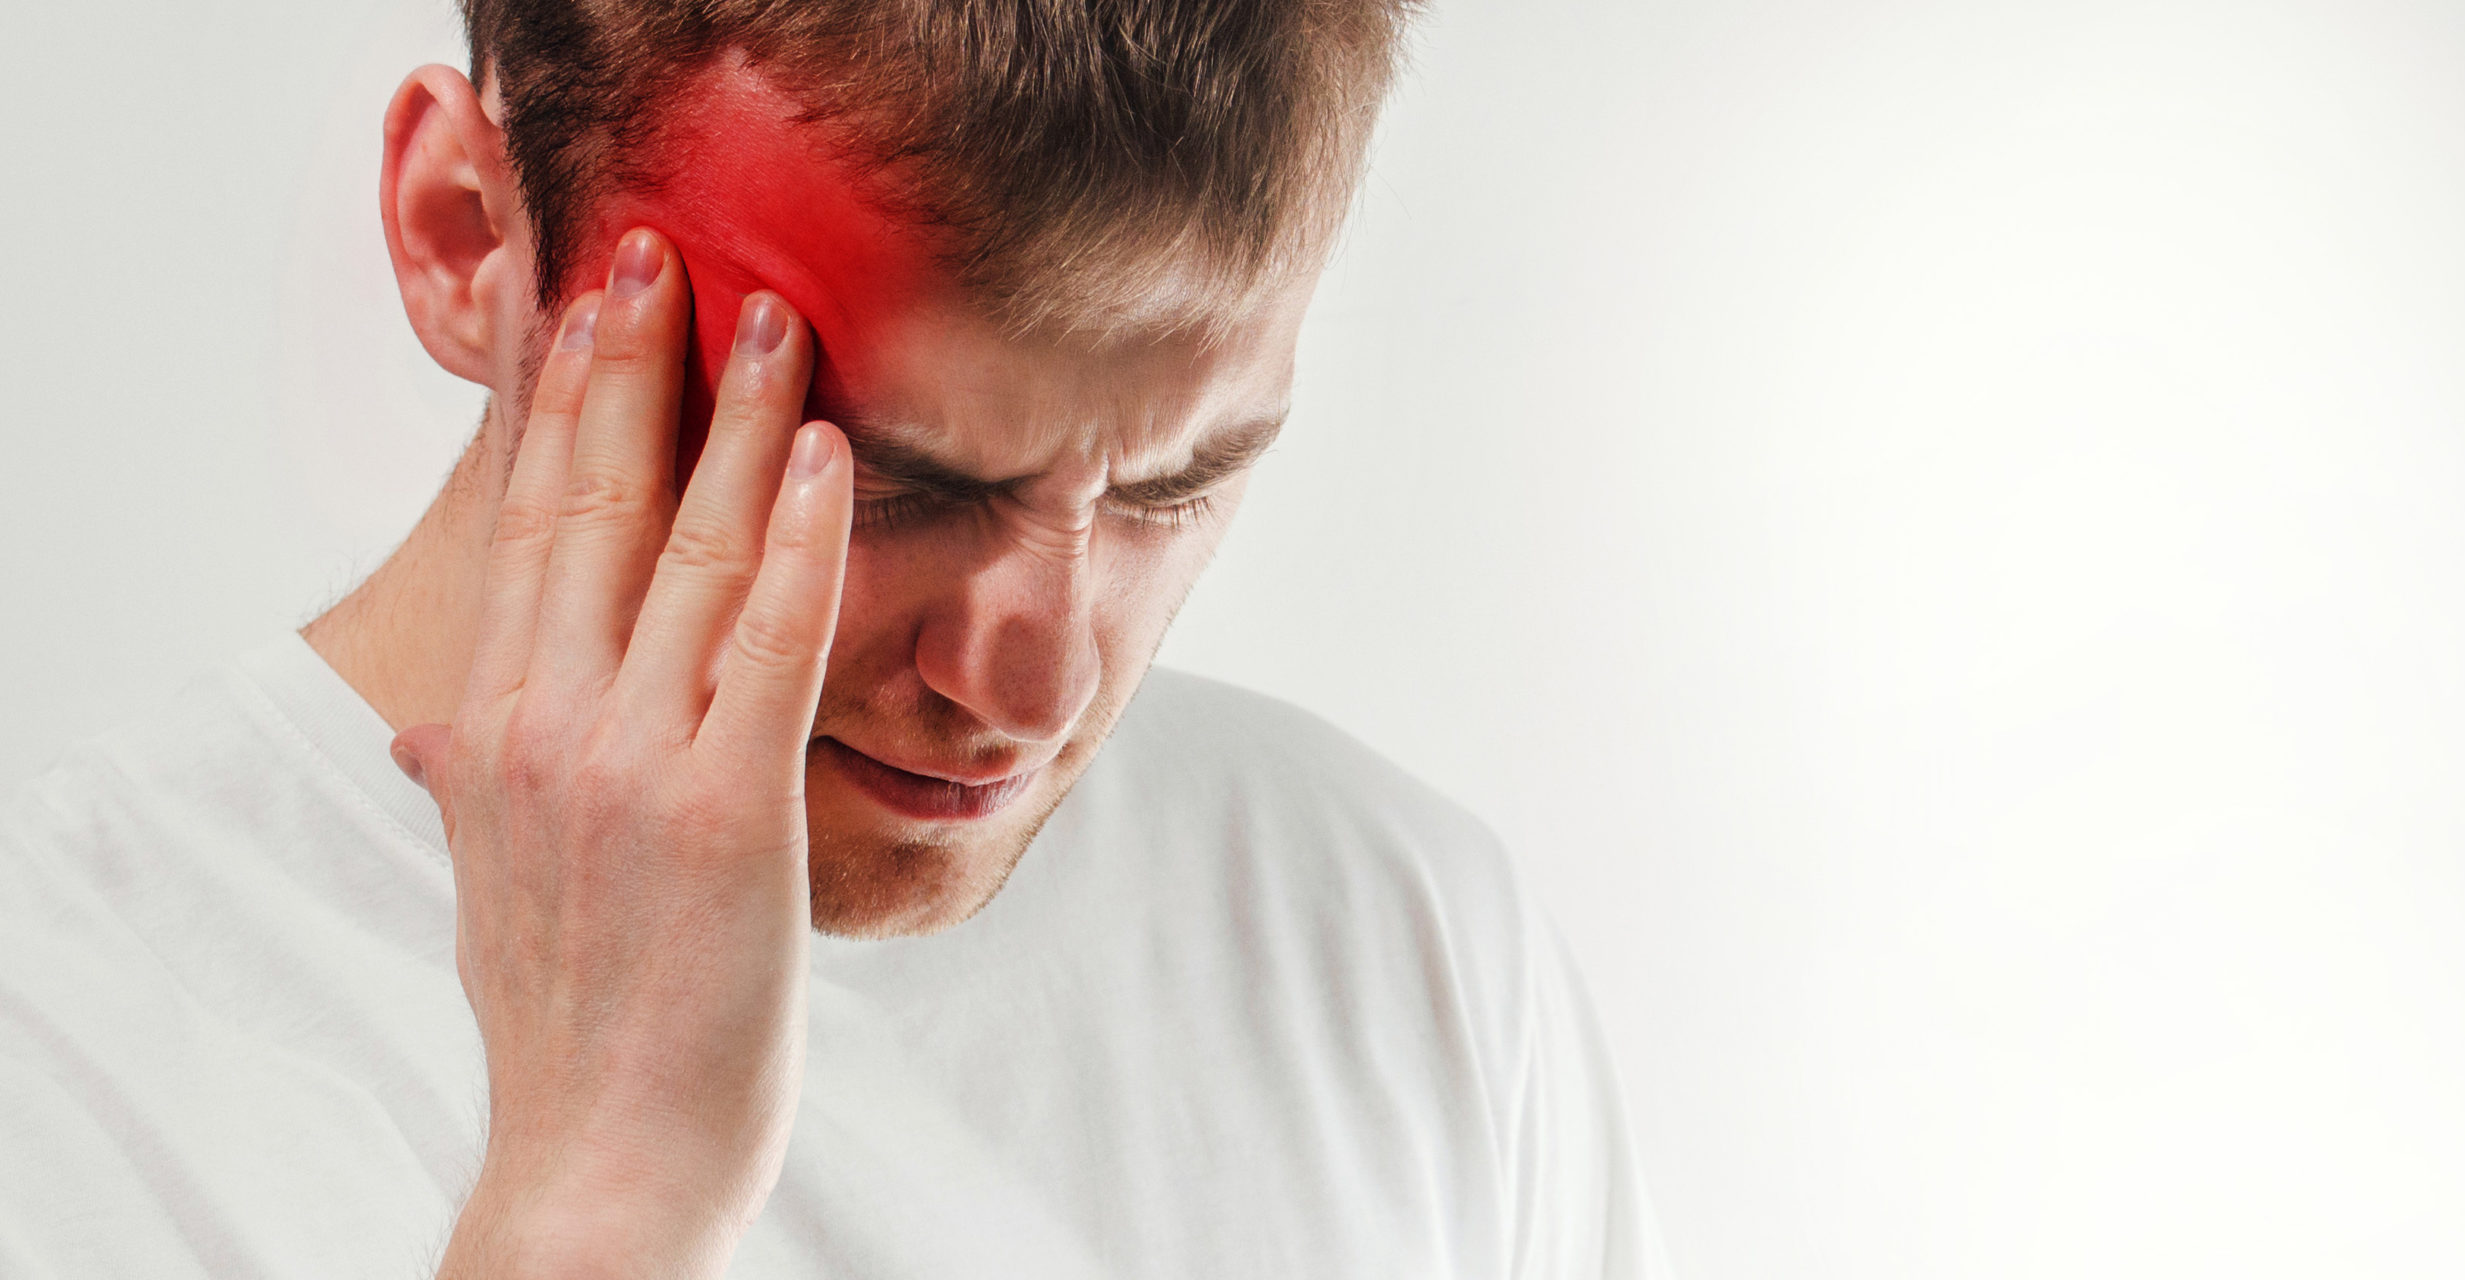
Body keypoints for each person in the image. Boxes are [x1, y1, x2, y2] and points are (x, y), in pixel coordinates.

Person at [0, 1, 1671, 1275]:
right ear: (465, 242)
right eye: (875, 471)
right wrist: (594, 1204)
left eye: (1177, 483)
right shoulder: (67, 1047)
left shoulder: (1399, 946)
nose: (1040, 686)